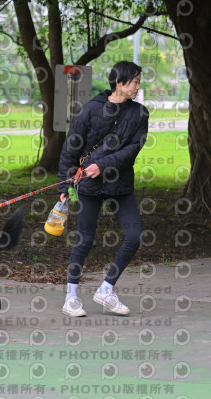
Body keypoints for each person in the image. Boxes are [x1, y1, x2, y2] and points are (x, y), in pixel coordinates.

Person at [58, 61, 149, 317]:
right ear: (119, 82)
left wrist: (102, 165)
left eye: (138, 82)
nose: (137, 87)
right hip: (89, 185)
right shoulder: (91, 109)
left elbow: (132, 150)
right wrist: (65, 184)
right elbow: (71, 147)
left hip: (120, 184)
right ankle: (71, 298)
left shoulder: (140, 114)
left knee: (134, 236)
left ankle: (106, 289)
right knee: (84, 239)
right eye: (134, 82)